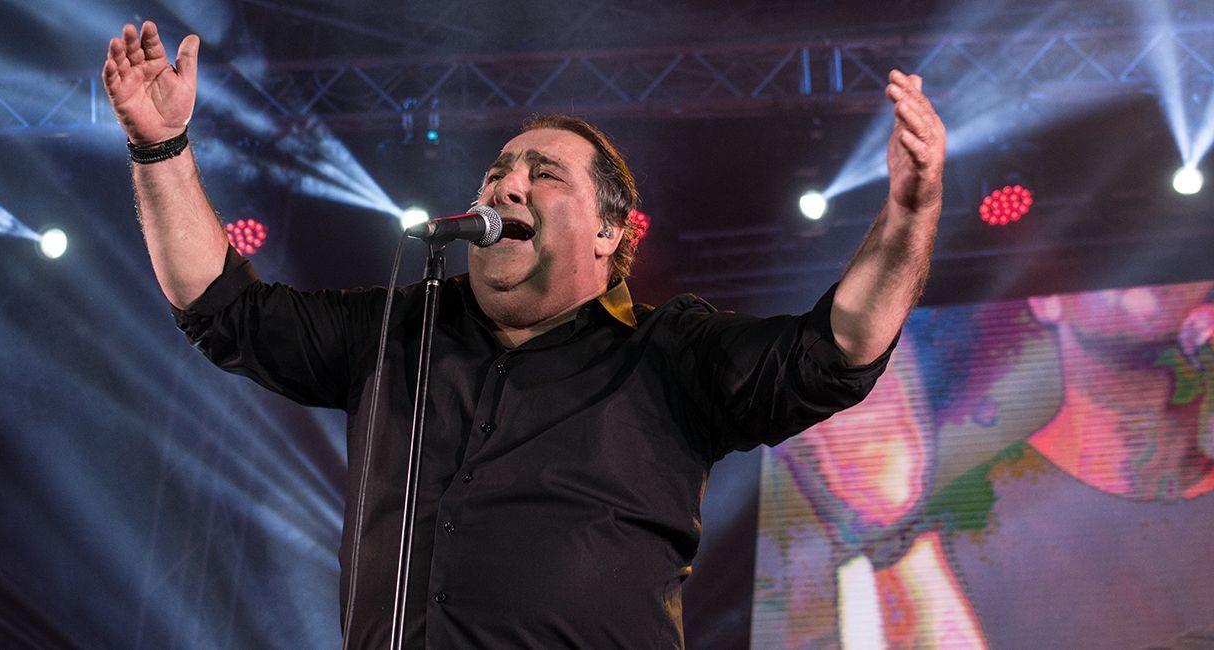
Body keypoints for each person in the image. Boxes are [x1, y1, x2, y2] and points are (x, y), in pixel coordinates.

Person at [102, 19, 946, 649]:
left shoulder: (668, 354)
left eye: (543, 176)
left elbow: (835, 350)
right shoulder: (397, 332)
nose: (507, 187)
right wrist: (160, 148)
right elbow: (223, 311)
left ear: (609, 230)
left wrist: (911, 212)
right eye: (497, 172)